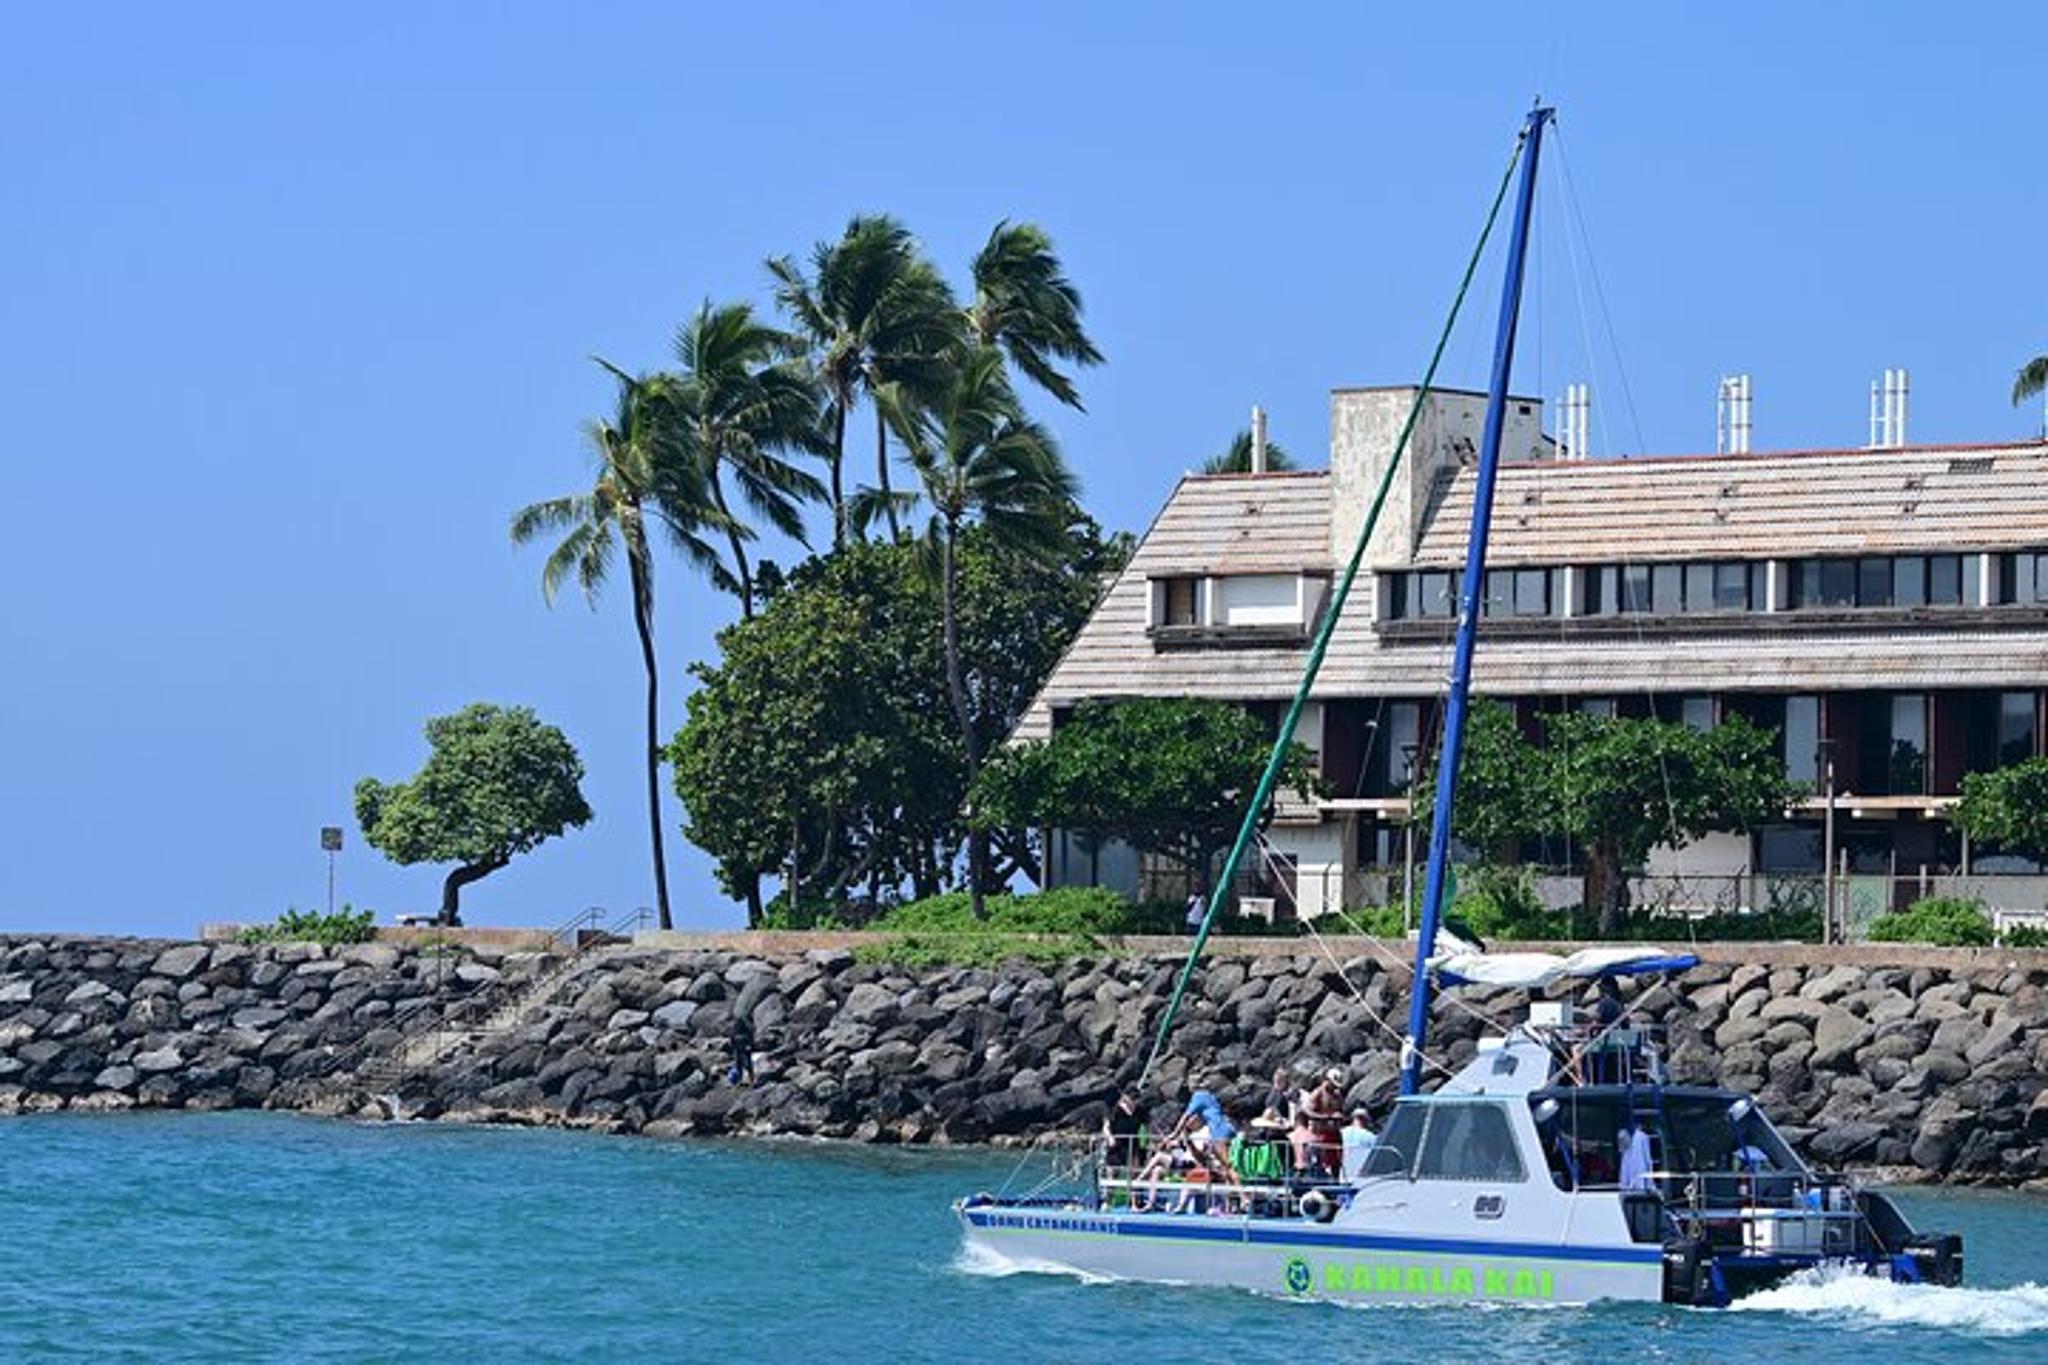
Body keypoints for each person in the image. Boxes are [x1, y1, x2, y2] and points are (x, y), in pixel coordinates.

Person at [1294, 1068, 1346, 1177]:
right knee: (1321, 1161)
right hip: (1321, 1133)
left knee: (1336, 1162)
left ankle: (1335, 1182)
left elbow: (1341, 1111)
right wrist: (1328, 1117)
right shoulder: (1318, 1093)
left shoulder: (1337, 1095)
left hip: (1335, 1133)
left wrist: (1340, 1117)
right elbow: (1308, 1112)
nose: (1335, 1087)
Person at [1102, 1091, 1146, 1169]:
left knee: (1135, 1167)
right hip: (1117, 1143)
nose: (1134, 1101)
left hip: (1133, 1144)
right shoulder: (1115, 1110)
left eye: (1136, 1098)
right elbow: (1106, 1127)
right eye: (1132, 1098)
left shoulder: (1140, 1111)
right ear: (1125, 1097)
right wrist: (1110, 1138)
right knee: (1113, 1166)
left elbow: (1148, 1124)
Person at [1340, 1107, 1377, 1180]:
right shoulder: (1371, 1137)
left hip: (1341, 1174)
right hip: (1360, 1176)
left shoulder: (1340, 1133)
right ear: (1367, 1120)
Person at [726, 1013, 755, 1086]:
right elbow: (732, 1038)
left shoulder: (742, 1027)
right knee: (740, 1064)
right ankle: (743, 1079)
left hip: (743, 1048)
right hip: (739, 1048)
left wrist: (749, 1045)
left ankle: (751, 1079)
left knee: (747, 1064)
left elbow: (733, 1038)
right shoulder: (736, 1028)